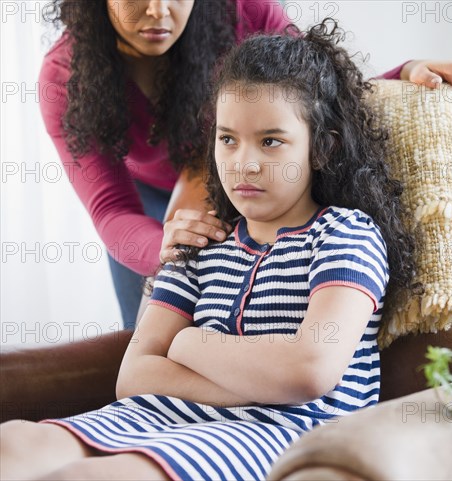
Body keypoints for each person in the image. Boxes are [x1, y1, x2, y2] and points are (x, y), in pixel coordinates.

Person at [1, 20, 422, 481]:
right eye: (228, 139)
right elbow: (134, 376)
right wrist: (255, 380)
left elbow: (308, 371)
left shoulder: (345, 234)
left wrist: (188, 342)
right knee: (16, 443)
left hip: (272, 431)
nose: (244, 162)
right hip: (156, 417)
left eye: (271, 141)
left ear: (321, 148)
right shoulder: (202, 243)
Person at [40, 0, 452, 330]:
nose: (159, 10)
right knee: (142, 327)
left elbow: (314, 88)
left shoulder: (244, 10)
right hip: (142, 199)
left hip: (235, 174)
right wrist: (159, 246)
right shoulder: (64, 77)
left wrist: (404, 72)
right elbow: (111, 210)